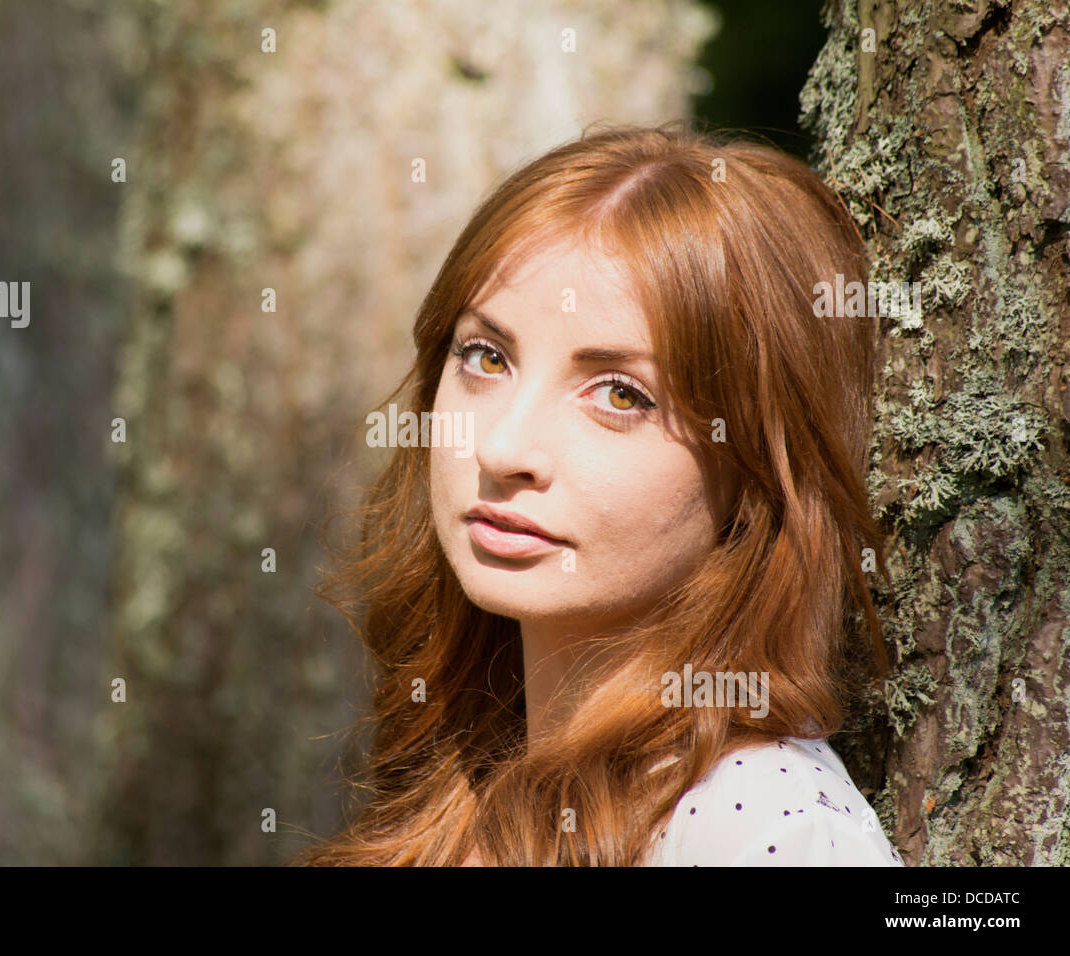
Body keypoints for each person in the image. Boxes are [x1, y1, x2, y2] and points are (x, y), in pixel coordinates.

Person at [292, 123, 904, 866]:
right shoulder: (466, 772)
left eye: (620, 394)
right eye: (486, 356)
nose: (502, 448)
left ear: (755, 469)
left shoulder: (765, 826)